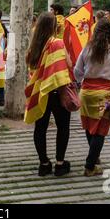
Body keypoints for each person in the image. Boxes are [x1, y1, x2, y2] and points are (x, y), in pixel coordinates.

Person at [25, 12, 72, 177]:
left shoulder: (34, 45)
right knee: (63, 127)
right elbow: (68, 64)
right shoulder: (58, 43)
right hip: (57, 91)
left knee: (40, 128)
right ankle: (60, 164)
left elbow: (30, 67)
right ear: (53, 26)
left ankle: (44, 164)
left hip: (40, 92)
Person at [74, 19, 110, 176]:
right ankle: (90, 166)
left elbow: (77, 70)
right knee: (101, 130)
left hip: (86, 93)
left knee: (90, 126)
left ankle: (94, 158)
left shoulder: (87, 48)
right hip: (105, 96)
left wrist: (83, 80)